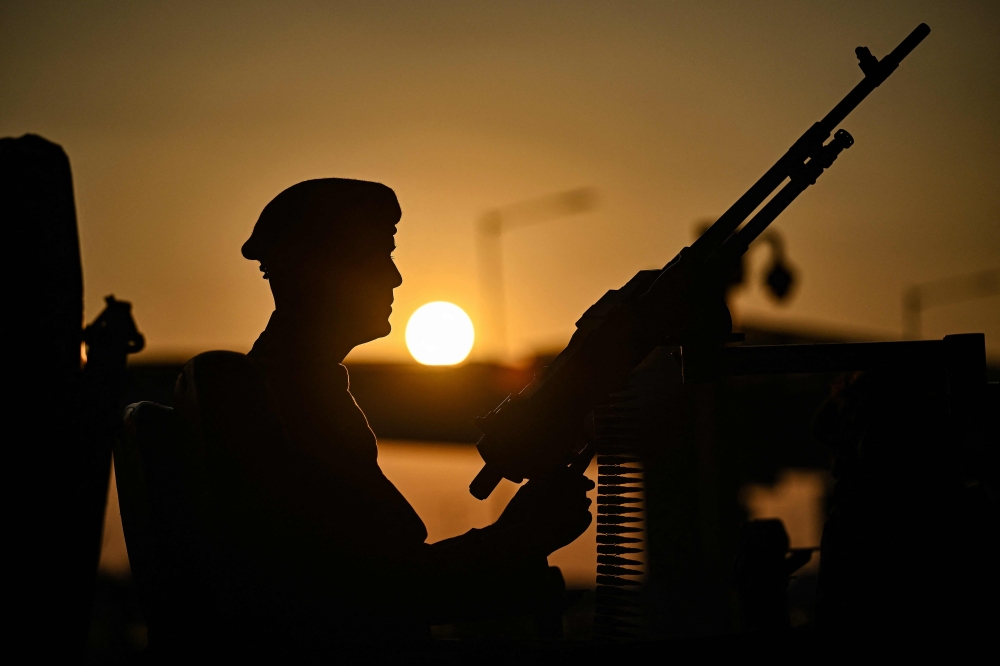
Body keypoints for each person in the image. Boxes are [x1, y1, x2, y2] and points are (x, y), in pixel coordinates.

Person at [182, 178, 593, 656]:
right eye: (380, 253)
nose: (395, 277)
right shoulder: (292, 403)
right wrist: (519, 540)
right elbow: (372, 592)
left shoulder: (287, 388)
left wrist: (512, 541)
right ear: (321, 269)